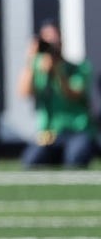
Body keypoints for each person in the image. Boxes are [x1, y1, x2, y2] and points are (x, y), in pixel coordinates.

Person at [17, 21, 95, 168]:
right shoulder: (38, 69)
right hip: (49, 134)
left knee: (75, 159)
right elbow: (24, 92)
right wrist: (31, 60)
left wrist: (57, 69)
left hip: (77, 131)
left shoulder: (79, 68)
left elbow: (73, 93)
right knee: (31, 161)